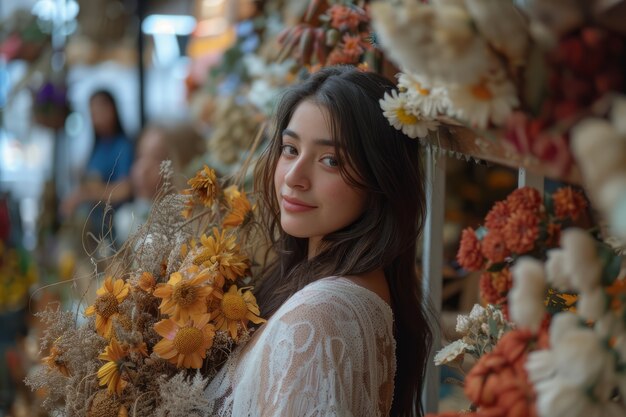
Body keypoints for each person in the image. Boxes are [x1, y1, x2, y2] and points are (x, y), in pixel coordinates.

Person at [205, 66, 433, 416]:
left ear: (380, 179)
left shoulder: (319, 319)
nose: (294, 178)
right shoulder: (327, 287)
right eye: (290, 149)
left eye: (330, 160)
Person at [60, 90, 134, 244]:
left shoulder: (123, 146)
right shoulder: (97, 147)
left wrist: (85, 195)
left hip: (115, 225)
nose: (97, 117)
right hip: (94, 225)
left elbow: (125, 190)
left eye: (101, 110)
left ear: (113, 109)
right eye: (93, 113)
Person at [114, 121, 205, 244]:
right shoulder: (130, 219)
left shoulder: (194, 232)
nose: (142, 169)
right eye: (140, 156)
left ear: (186, 164)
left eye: (158, 158)